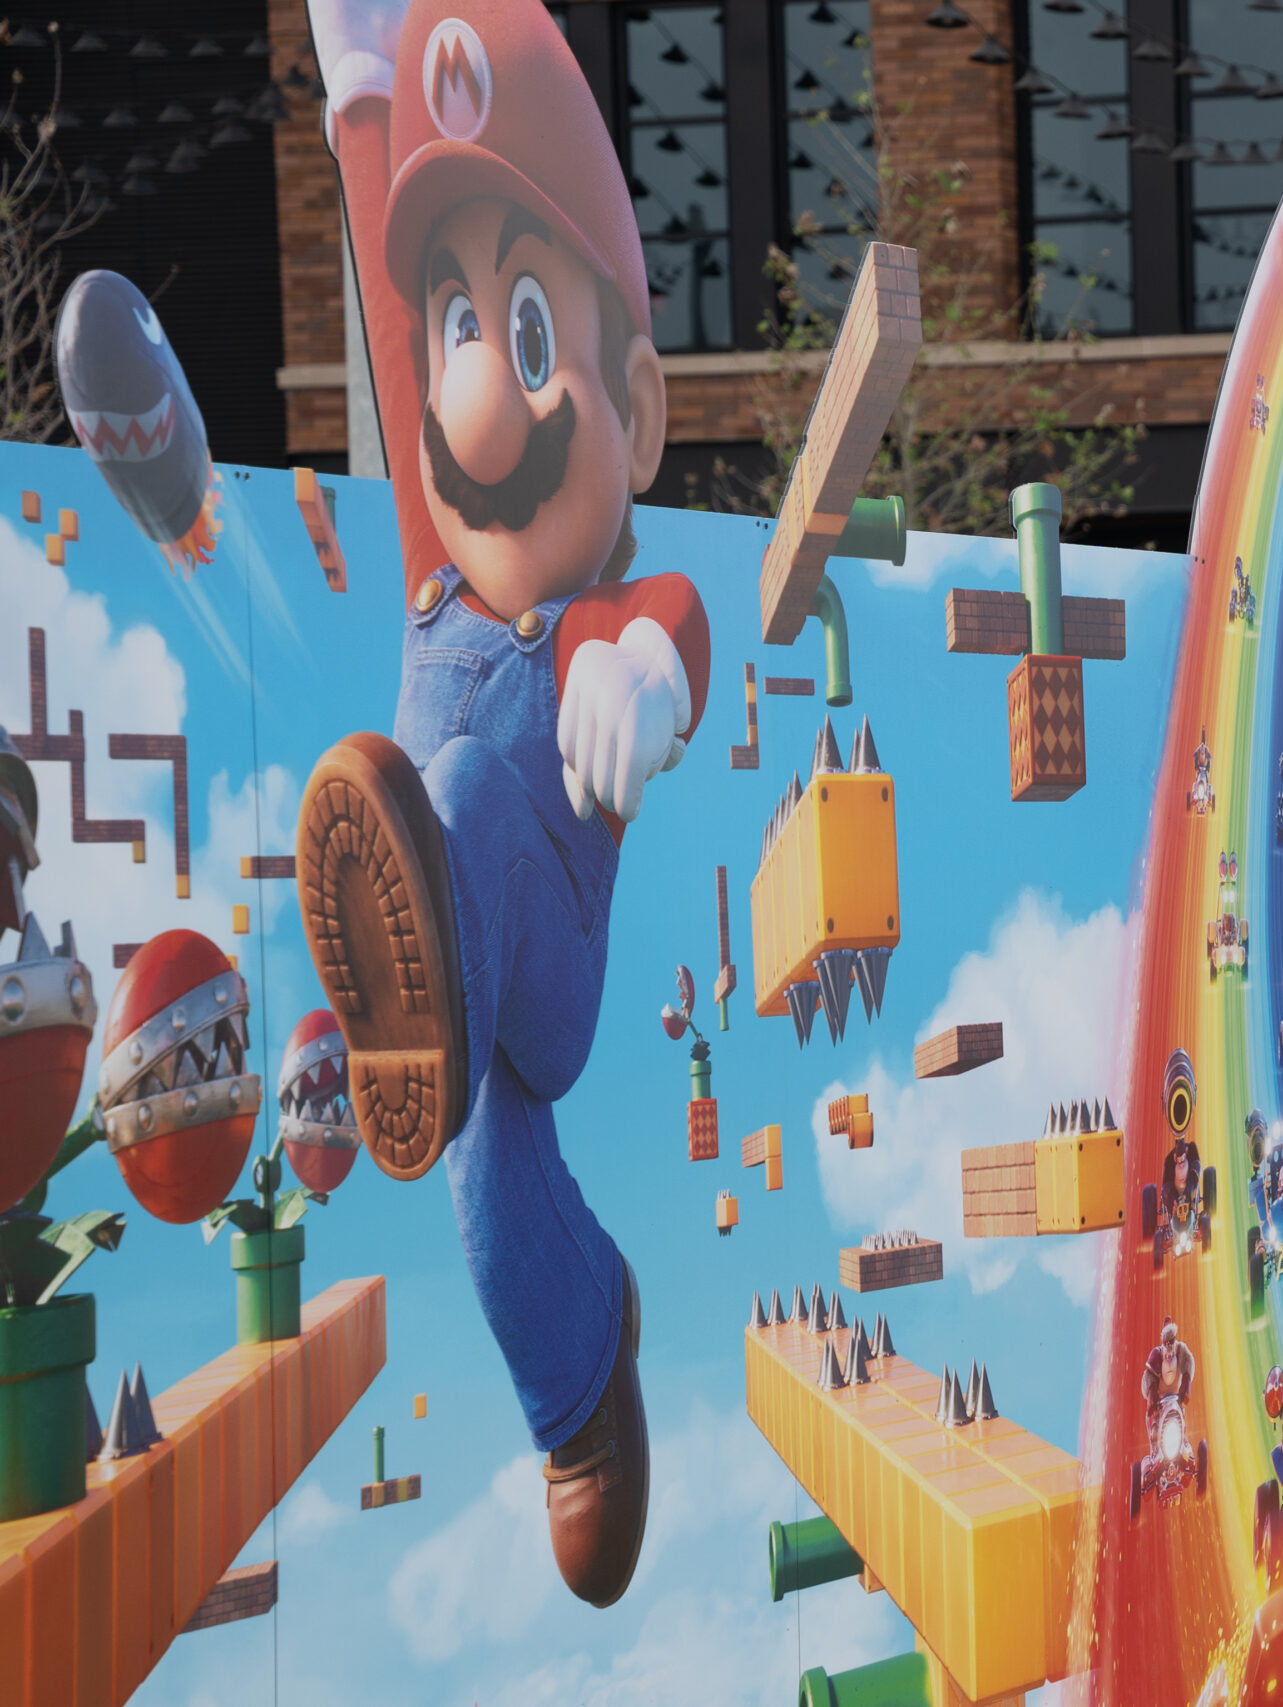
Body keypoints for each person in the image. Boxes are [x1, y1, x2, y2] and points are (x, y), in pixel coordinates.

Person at [297, 0, 711, 1602]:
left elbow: (672, 627)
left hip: (544, 942)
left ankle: (406, 939)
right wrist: (360, 89)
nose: (477, 403)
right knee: (482, 1170)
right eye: (470, 335)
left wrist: (642, 681)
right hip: (464, 1019)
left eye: (526, 336)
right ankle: (580, 1376)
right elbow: (388, 319)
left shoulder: (612, 603)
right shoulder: (429, 561)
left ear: (641, 408)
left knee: (454, 782)